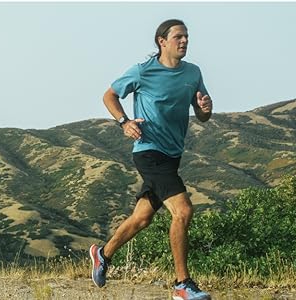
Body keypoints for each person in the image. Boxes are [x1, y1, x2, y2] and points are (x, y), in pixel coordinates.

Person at [90, 19, 213, 300]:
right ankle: (182, 284)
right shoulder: (143, 71)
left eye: (187, 37)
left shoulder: (193, 73)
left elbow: (203, 114)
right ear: (162, 41)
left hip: (172, 155)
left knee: (142, 217)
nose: (184, 42)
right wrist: (123, 121)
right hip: (148, 150)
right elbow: (109, 95)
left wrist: (206, 108)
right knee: (183, 211)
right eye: (178, 37)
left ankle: (103, 254)